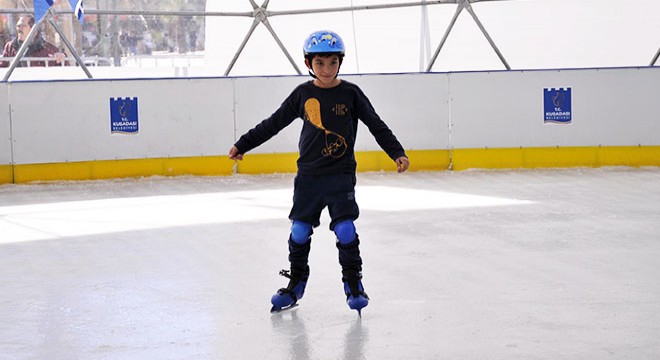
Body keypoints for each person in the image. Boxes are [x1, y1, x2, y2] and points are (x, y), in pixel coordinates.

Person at [228, 30, 410, 315]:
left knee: (346, 228)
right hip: (309, 178)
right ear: (308, 63)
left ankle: (354, 284)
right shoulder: (302, 94)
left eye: (333, 63)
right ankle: (296, 284)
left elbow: (376, 124)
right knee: (299, 231)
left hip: (340, 175)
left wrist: (396, 152)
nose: (326, 69)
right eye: (320, 63)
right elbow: (273, 123)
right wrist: (243, 144)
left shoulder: (351, 93)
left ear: (340, 63)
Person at [1, 15, 66, 68]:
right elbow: (2, 66)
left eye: (22, 26)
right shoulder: (10, 46)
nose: (19, 29)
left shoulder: (47, 48)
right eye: (18, 26)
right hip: (15, 82)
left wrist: (60, 57)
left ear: (34, 30)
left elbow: (64, 67)